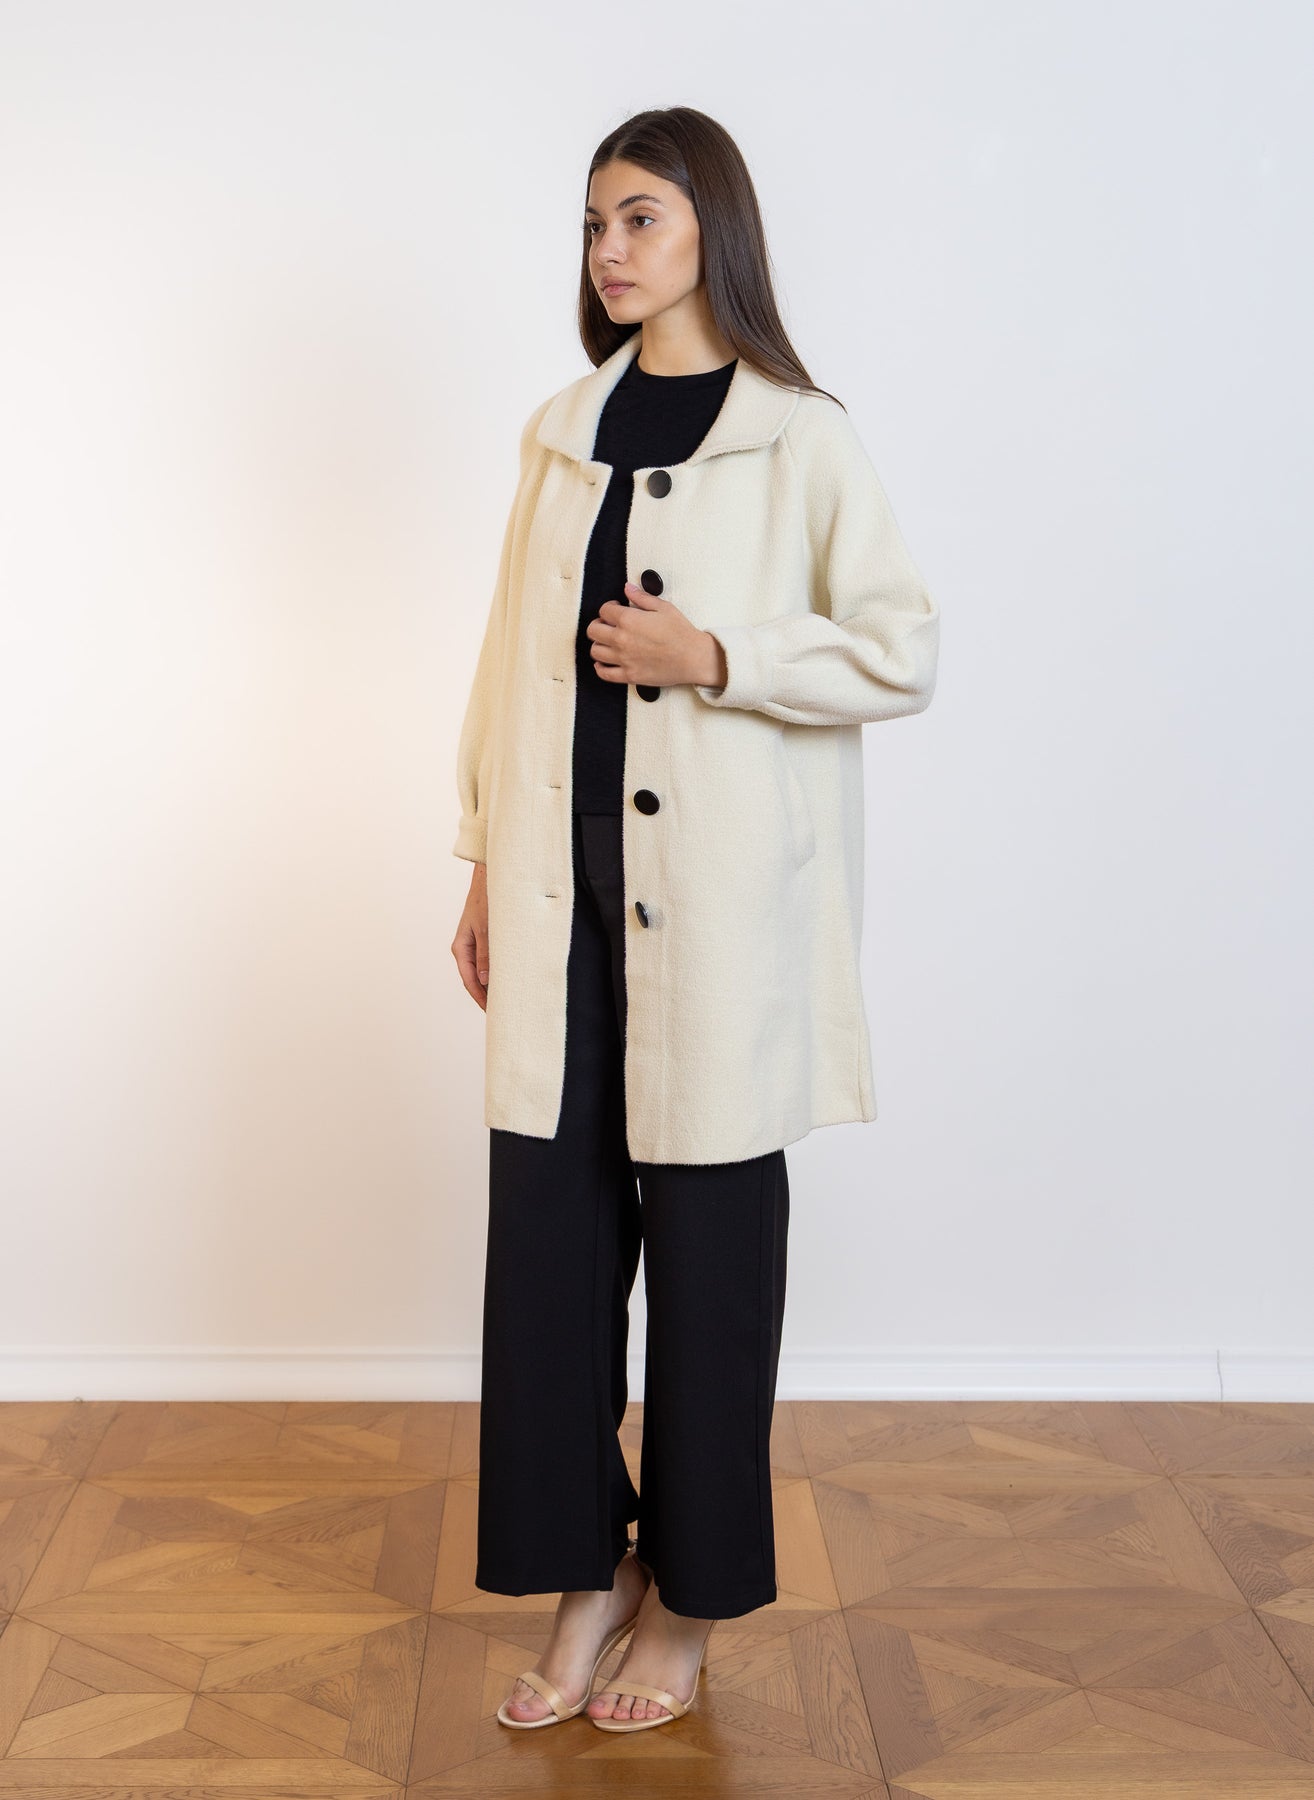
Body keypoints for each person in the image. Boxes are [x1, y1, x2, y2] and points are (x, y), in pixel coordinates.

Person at [450, 107, 939, 1733]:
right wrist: (478, 861)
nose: (609, 248)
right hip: (558, 895)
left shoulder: (800, 436)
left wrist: (717, 657)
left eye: (640, 217)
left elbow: (900, 647)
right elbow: (503, 669)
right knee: (549, 1251)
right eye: (594, 222)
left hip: (719, 916)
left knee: (714, 1262)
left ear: (711, 228)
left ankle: (691, 1602)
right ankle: (581, 1576)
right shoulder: (559, 433)